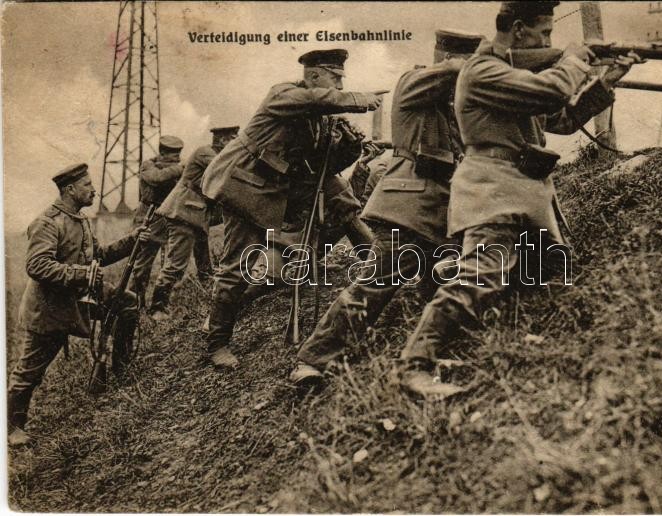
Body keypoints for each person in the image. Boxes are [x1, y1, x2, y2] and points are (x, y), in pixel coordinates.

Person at [398, 1, 642, 396]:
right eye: (544, 33)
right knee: (480, 276)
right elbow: (551, 91)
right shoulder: (482, 70)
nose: (548, 41)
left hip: (524, 193)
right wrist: (575, 59)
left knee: (544, 277)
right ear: (517, 30)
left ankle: (502, 358)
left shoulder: (512, 76)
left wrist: (608, 79)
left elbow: (561, 119)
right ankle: (414, 366)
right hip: (492, 191)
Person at [290, 30, 484, 385]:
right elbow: (456, 72)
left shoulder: (454, 105)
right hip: (408, 209)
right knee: (375, 285)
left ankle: (434, 356)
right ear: (447, 58)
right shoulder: (413, 82)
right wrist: (497, 59)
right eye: (471, 62)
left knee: (445, 283)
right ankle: (313, 360)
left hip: (446, 213)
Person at [201, 48, 384, 368]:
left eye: (341, 80)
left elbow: (321, 168)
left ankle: (377, 264)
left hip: (277, 187)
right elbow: (316, 99)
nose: (340, 86)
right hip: (243, 185)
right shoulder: (284, 95)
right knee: (237, 265)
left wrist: (350, 147)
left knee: (339, 195)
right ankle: (216, 343)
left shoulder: (319, 117)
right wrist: (360, 99)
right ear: (313, 76)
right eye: (335, 78)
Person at [8, 164, 151, 447]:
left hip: (77, 299)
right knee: (29, 371)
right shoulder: (48, 222)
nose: (94, 190)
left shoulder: (81, 219)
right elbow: (37, 266)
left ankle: (121, 369)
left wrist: (132, 240)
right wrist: (82, 274)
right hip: (49, 309)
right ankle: (12, 427)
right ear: (70, 189)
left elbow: (99, 255)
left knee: (126, 303)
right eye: (87, 185)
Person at [149, 126, 239, 320]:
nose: (236, 142)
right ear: (222, 140)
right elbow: (227, 169)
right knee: (176, 263)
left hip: (195, 215)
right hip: (184, 213)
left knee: (204, 262)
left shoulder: (214, 154)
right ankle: (157, 308)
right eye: (233, 138)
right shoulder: (205, 153)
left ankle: (207, 299)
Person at [130, 135, 184, 305]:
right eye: (174, 155)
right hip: (148, 217)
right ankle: (133, 302)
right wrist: (180, 169)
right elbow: (157, 178)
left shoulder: (174, 168)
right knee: (142, 265)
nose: (177, 159)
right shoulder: (148, 165)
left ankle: (161, 303)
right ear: (162, 153)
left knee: (172, 262)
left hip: (168, 217)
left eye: (178, 155)